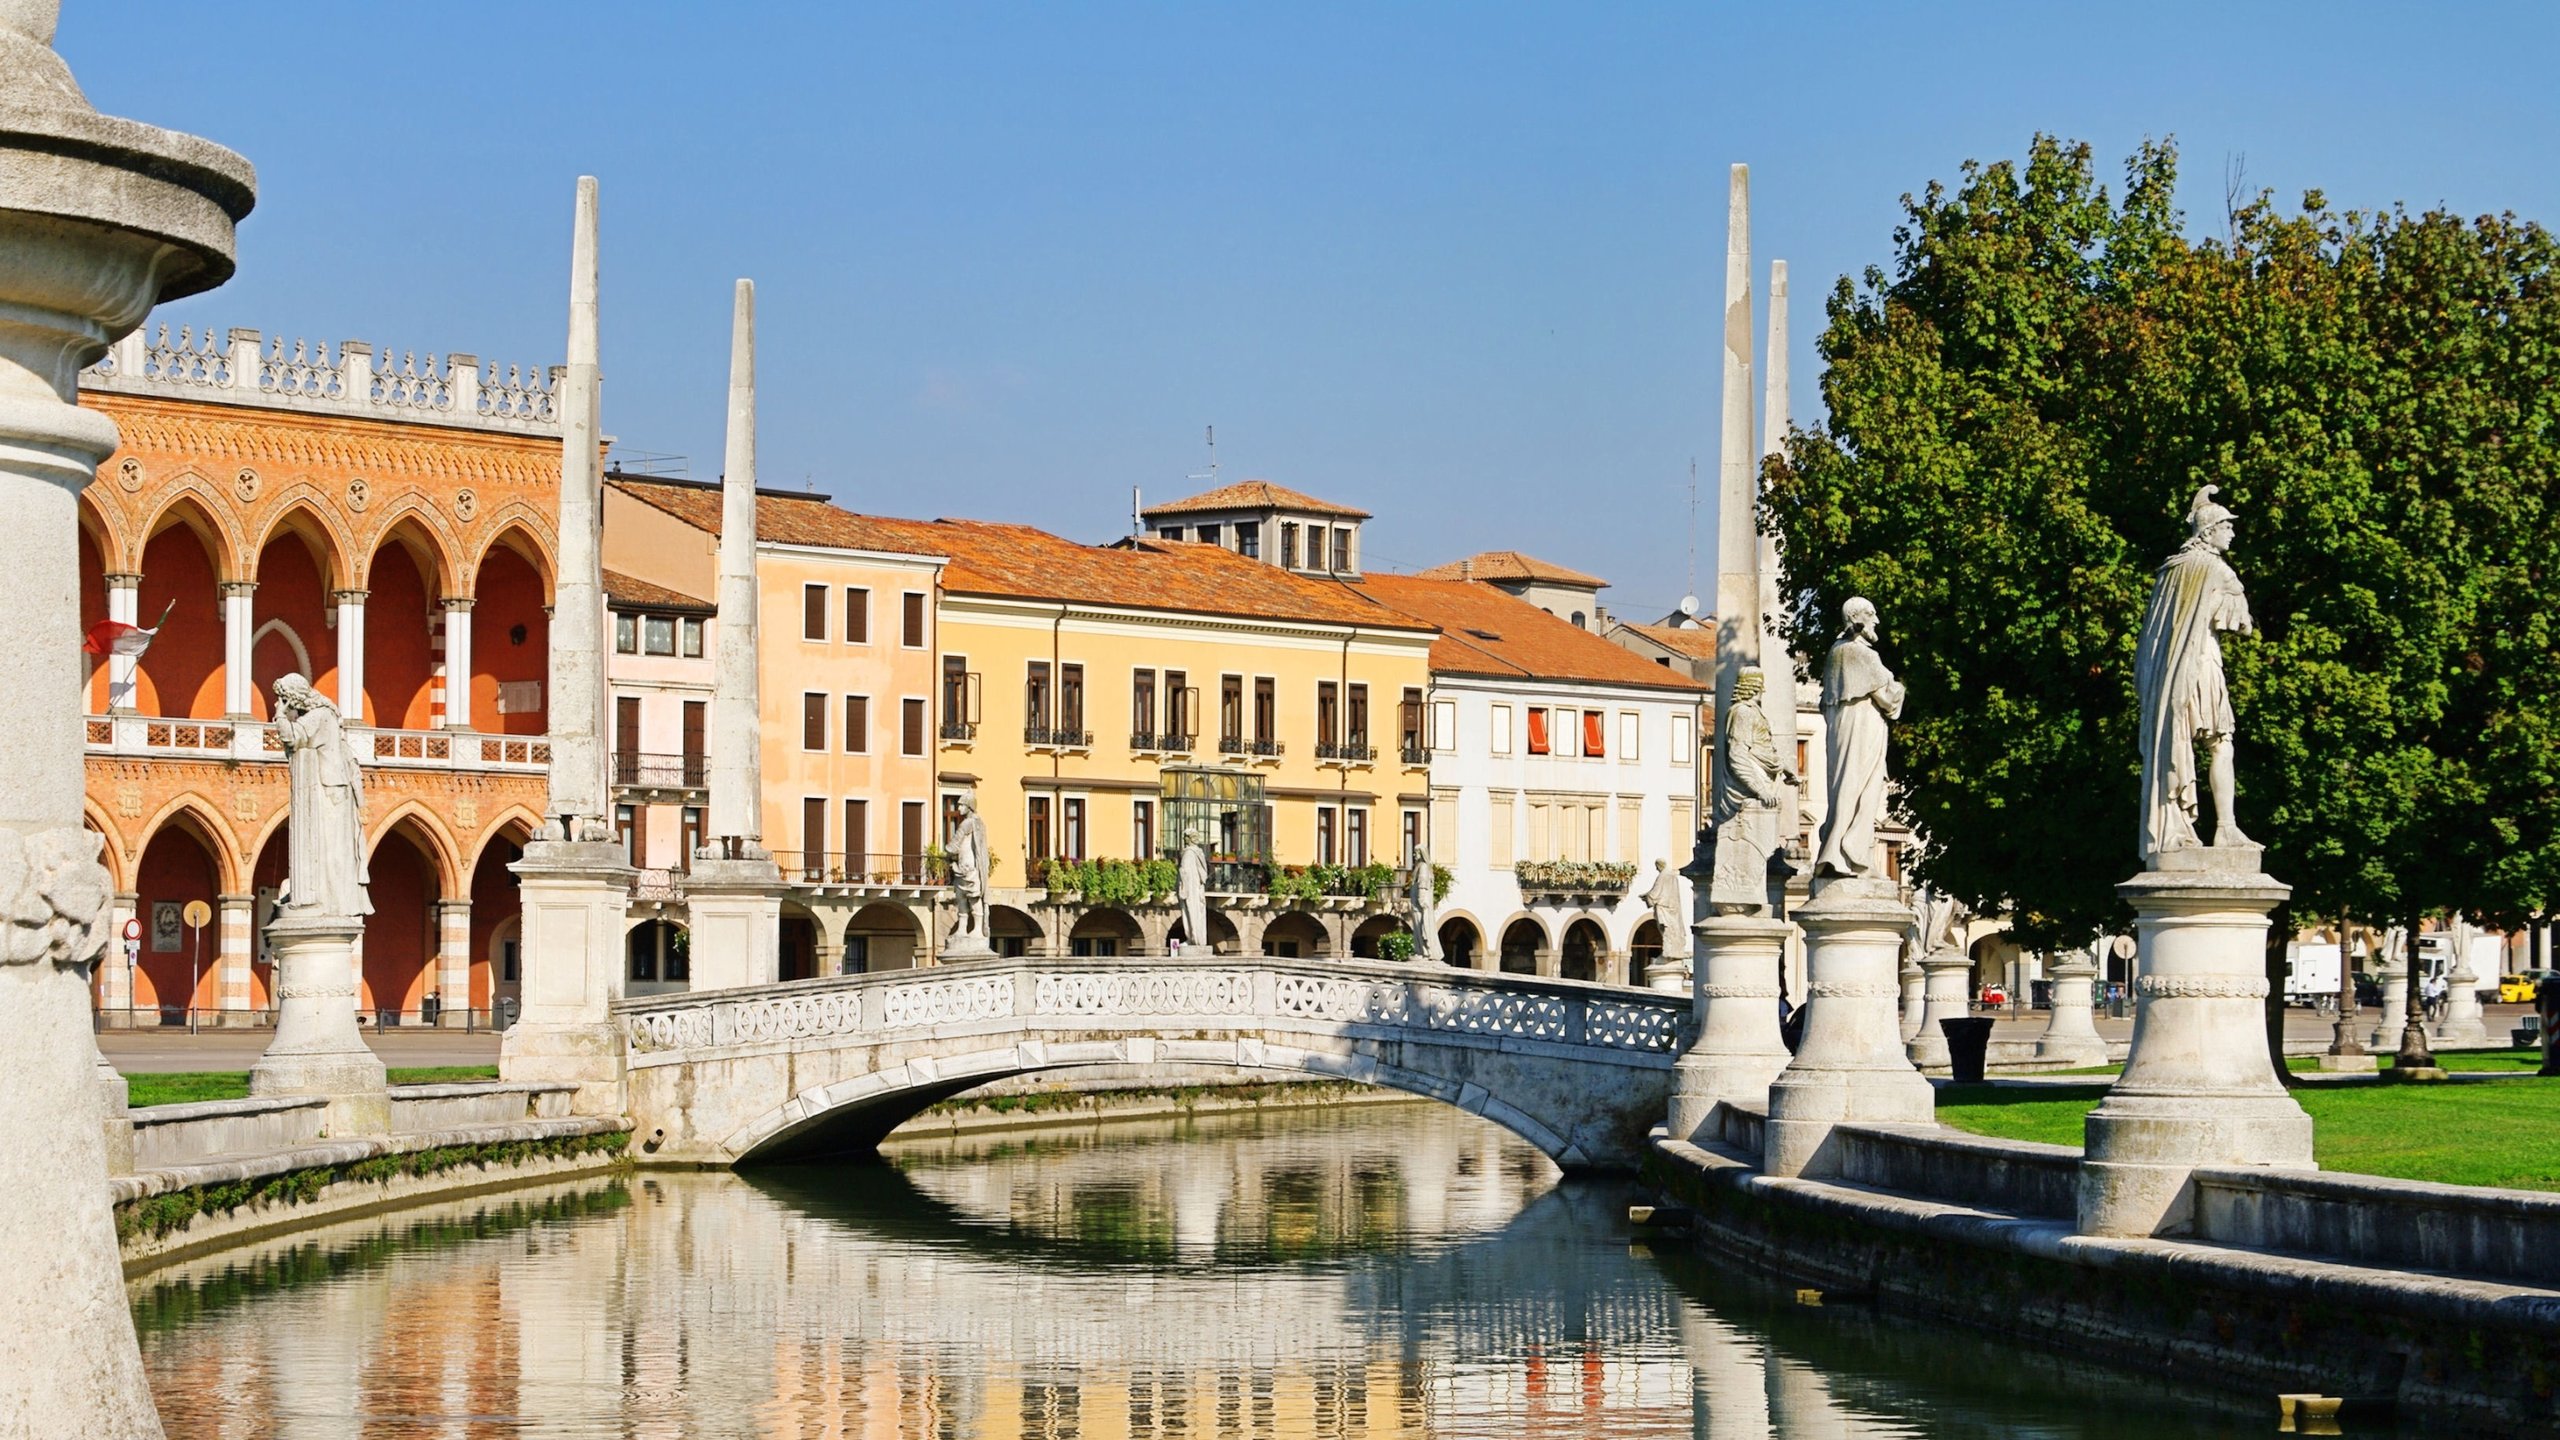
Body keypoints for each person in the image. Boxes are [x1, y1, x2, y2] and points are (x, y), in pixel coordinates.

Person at [2135, 485, 2255, 863]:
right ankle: (2226, 827)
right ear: (2209, 532)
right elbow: (2240, 624)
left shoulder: (2171, 572)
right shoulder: (2218, 570)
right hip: (2202, 665)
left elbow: (2154, 635)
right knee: (2221, 742)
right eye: (2226, 526)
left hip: (2169, 675)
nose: (2232, 532)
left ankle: (2179, 823)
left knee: (2179, 743)